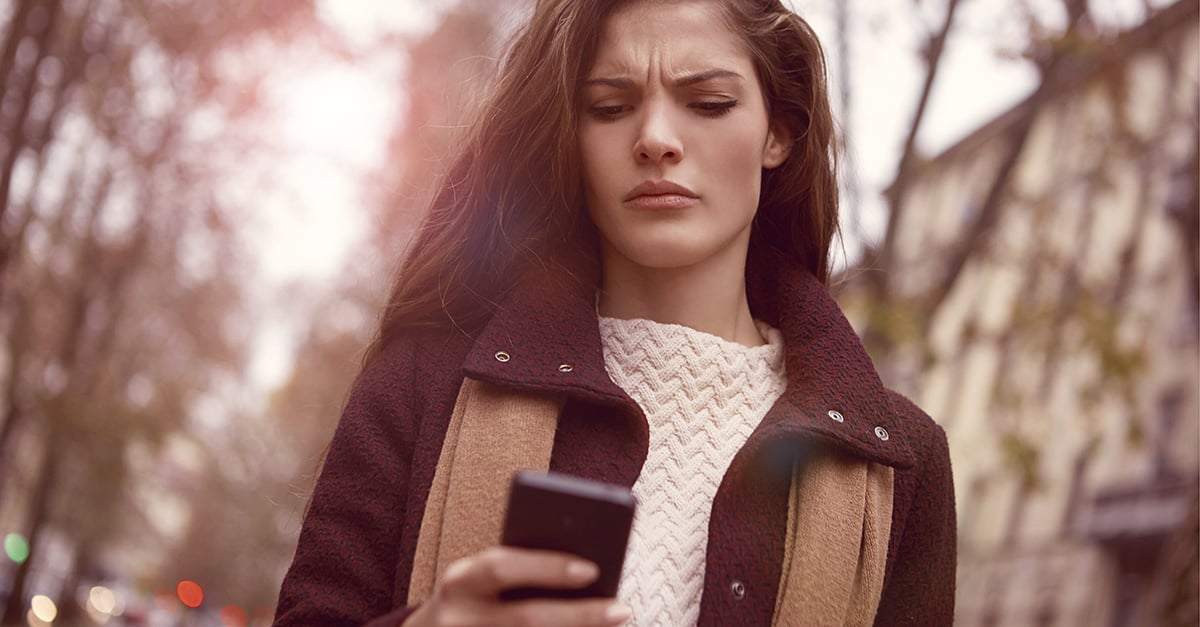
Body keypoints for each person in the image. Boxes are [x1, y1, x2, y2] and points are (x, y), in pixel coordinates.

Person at [273, 0, 956, 625]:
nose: (656, 137)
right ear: (570, 136)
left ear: (778, 132)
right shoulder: (424, 381)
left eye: (709, 102)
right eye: (608, 106)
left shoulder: (902, 464)